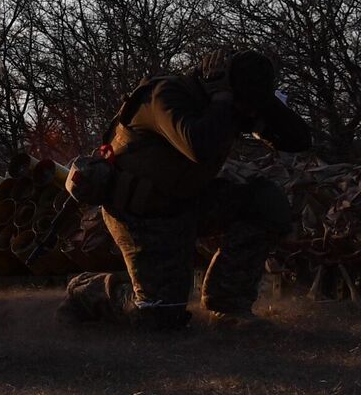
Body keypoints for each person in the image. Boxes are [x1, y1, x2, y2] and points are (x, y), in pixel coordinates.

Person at [59, 49, 310, 329]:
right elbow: (199, 147)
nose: (248, 112)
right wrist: (224, 101)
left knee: (265, 202)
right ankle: (88, 291)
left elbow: (300, 140)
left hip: (189, 201)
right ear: (220, 86)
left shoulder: (235, 105)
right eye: (244, 103)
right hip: (143, 215)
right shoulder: (167, 96)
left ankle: (227, 303)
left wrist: (267, 111)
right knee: (160, 317)